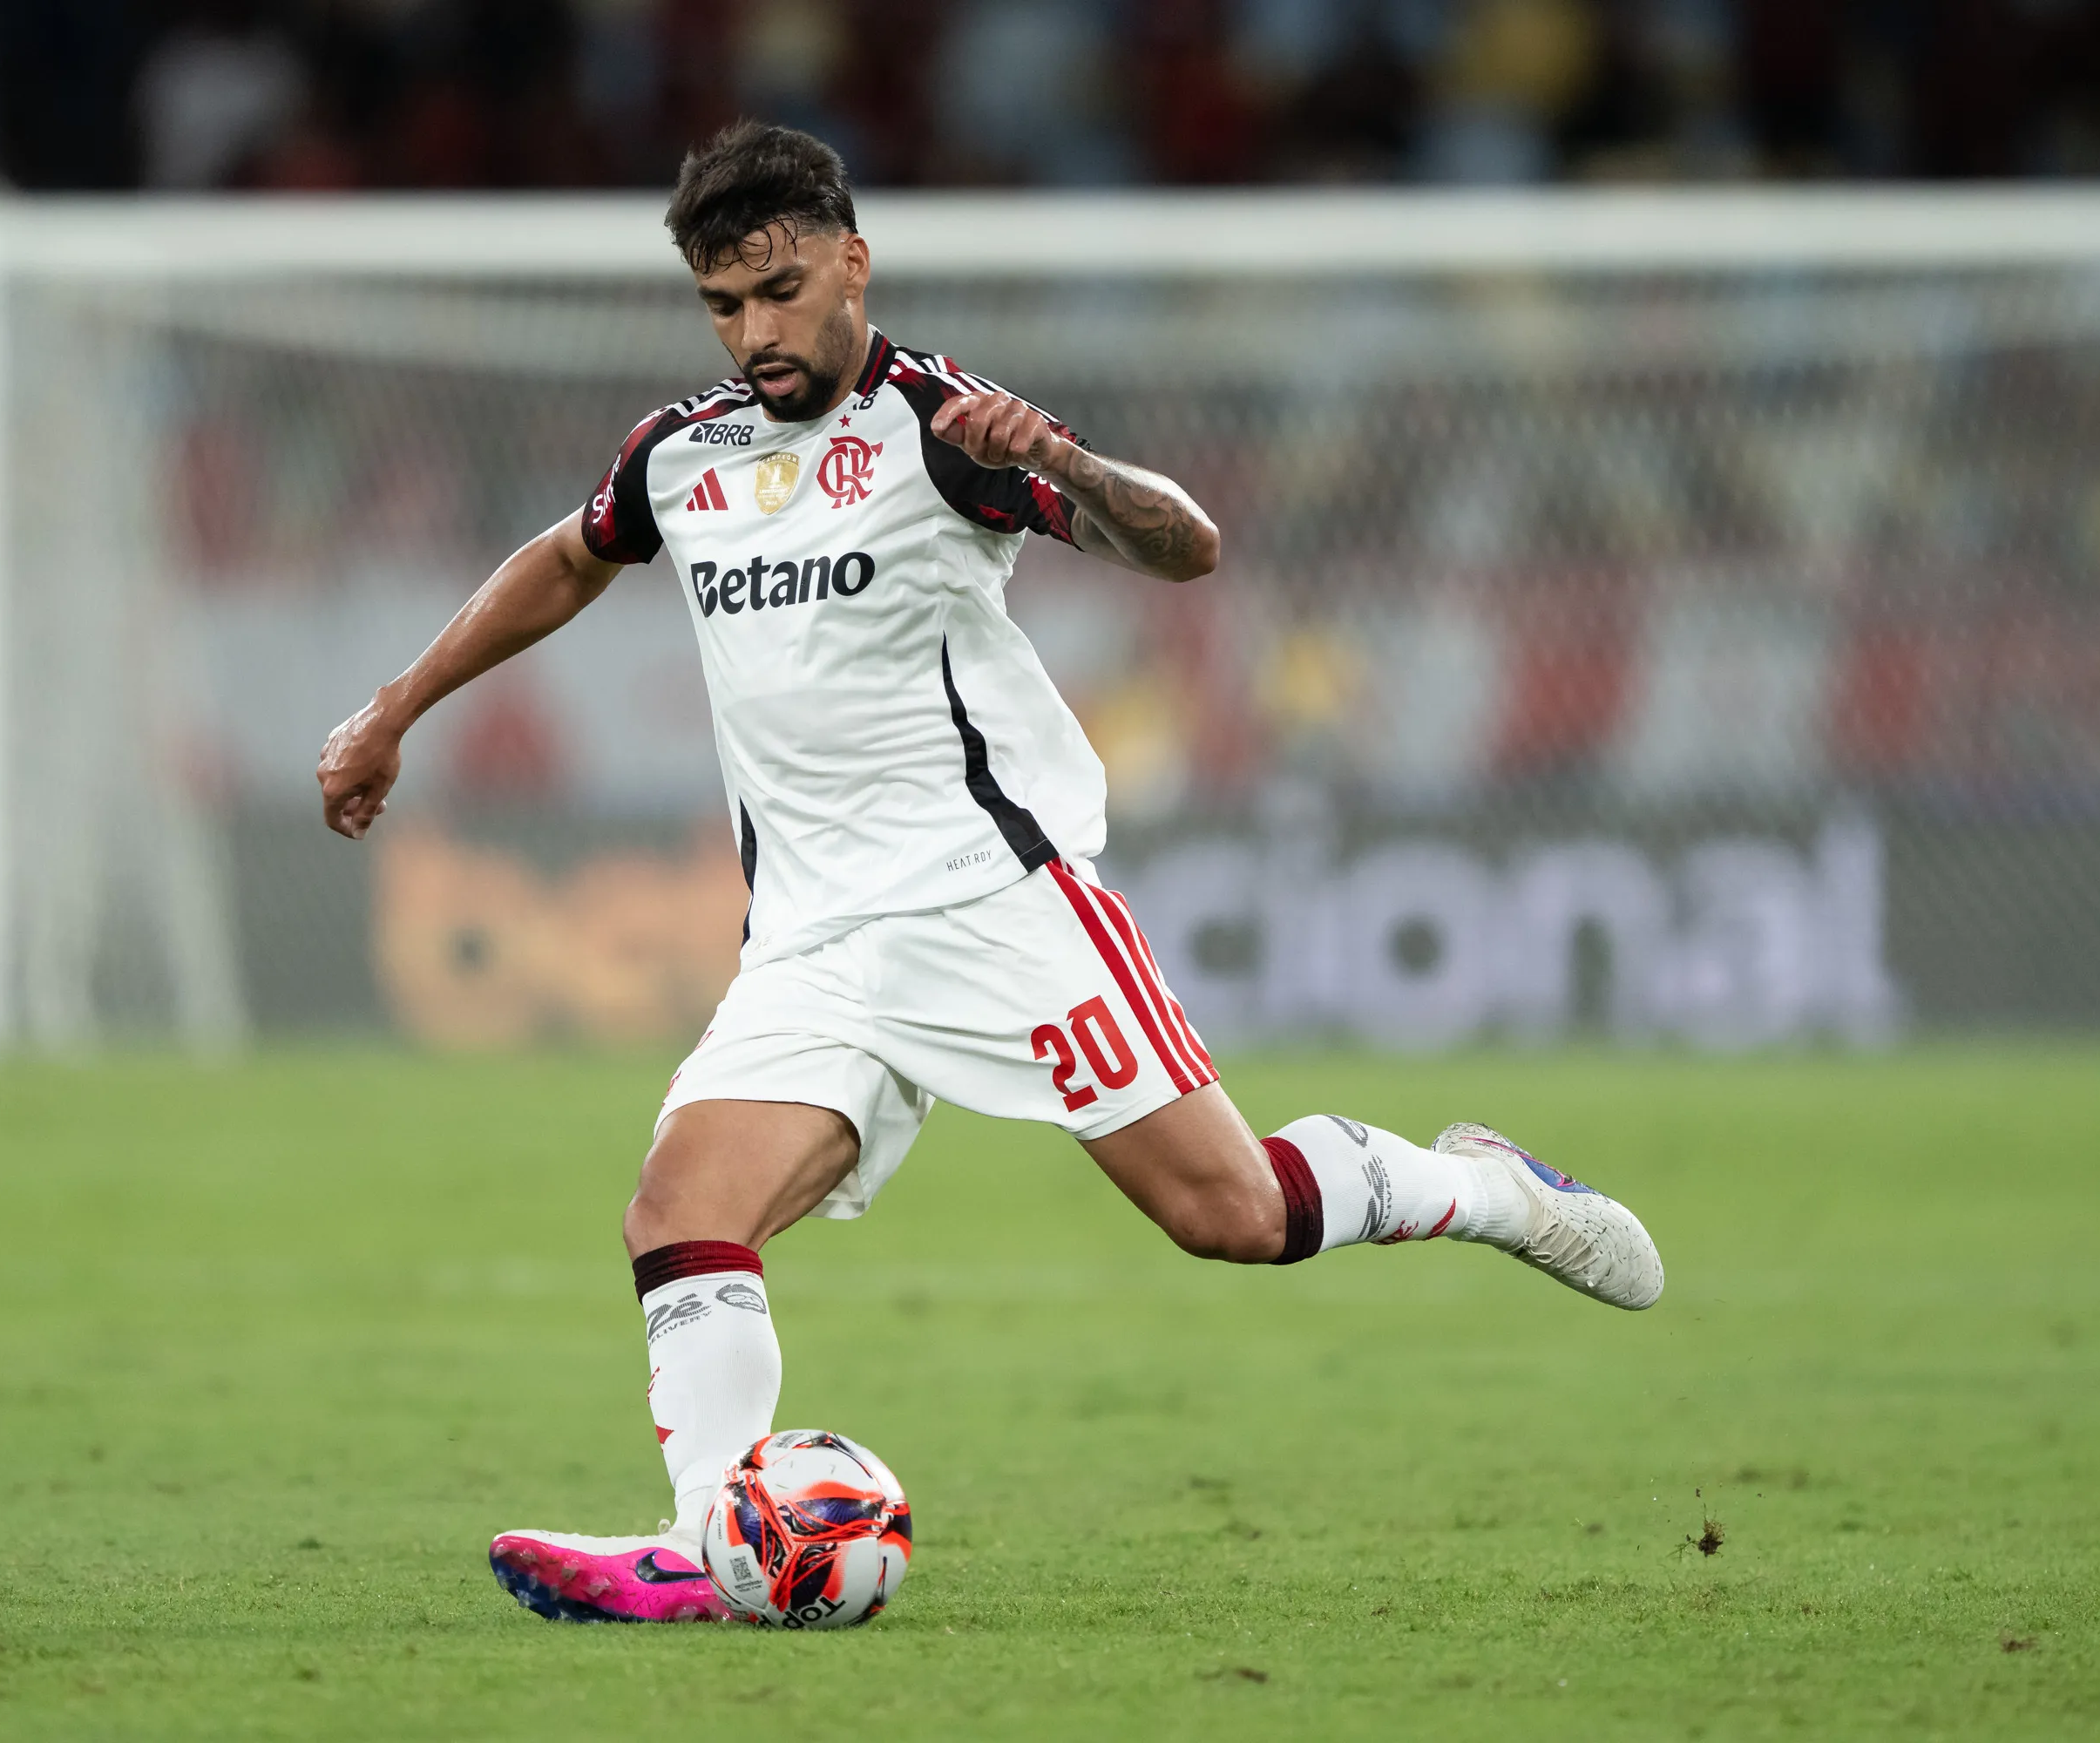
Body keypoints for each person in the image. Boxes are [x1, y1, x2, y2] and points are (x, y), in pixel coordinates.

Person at [315, 121, 1663, 1626]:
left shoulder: (946, 432)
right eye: (723, 306)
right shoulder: (680, 457)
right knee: (678, 1214)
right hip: (812, 942)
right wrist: (394, 710)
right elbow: (569, 557)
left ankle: (1485, 1190)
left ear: (852, 264)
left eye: (778, 292)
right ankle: (705, 1544)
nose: (755, 335)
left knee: (1235, 1214)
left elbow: (1188, 548)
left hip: (995, 900)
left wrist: (1065, 462)